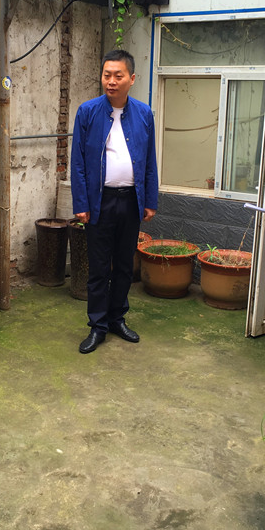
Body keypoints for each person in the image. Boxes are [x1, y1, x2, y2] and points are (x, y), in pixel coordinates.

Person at [70, 49, 158, 354]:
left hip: (131, 201)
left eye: (118, 75)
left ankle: (117, 318)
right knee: (98, 267)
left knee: (123, 265)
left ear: (131, 79)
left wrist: (150, 199)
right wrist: (81, 204)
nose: (111, 81)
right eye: (106, 75)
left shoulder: (144, 114)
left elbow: (150, 160)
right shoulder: (87, 112)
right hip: (100, 201)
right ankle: (98, 325)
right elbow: (78, 162)